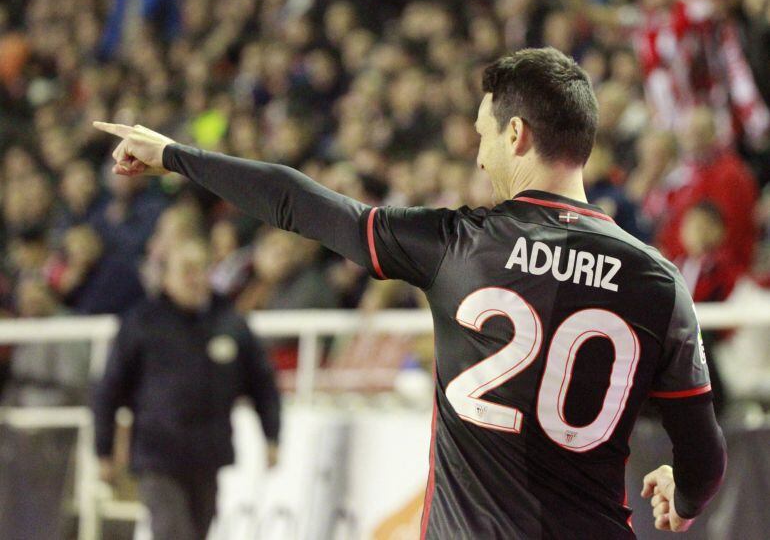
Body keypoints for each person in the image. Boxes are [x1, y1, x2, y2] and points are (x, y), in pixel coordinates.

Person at [94, 47, 727, 538]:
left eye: (483, 135)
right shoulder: (657, 280)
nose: (479, 158)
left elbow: (300, 203)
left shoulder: (457, 243)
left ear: (515, 136)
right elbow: (704, 456)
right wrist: (687, 494)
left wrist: (176, 156)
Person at [92, 239, 281, 540]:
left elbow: (262, 383)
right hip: (158, 455)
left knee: (197, 532)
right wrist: (103, 450)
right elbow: (108, 390)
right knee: (172, 533)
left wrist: (272, 435)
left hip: (208, 454)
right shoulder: (142, 322)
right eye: (186, 270)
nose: (195, 279)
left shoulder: (229, 322)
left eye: (201, 269)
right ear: (167, 276)